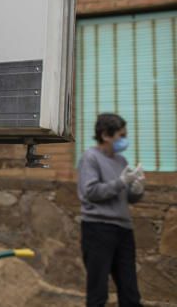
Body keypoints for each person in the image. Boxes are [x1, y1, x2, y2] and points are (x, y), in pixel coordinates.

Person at [78, 112, 145, 307]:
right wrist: (121, 182)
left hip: (124, 230)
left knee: (130, 290)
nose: (125, 140)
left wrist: (137, 189)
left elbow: (127, 198)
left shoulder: (121, 161)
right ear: (106, 135)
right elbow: (91, 191)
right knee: (98, 291)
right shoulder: (90, 158)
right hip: (98, 229)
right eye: (121, 135)